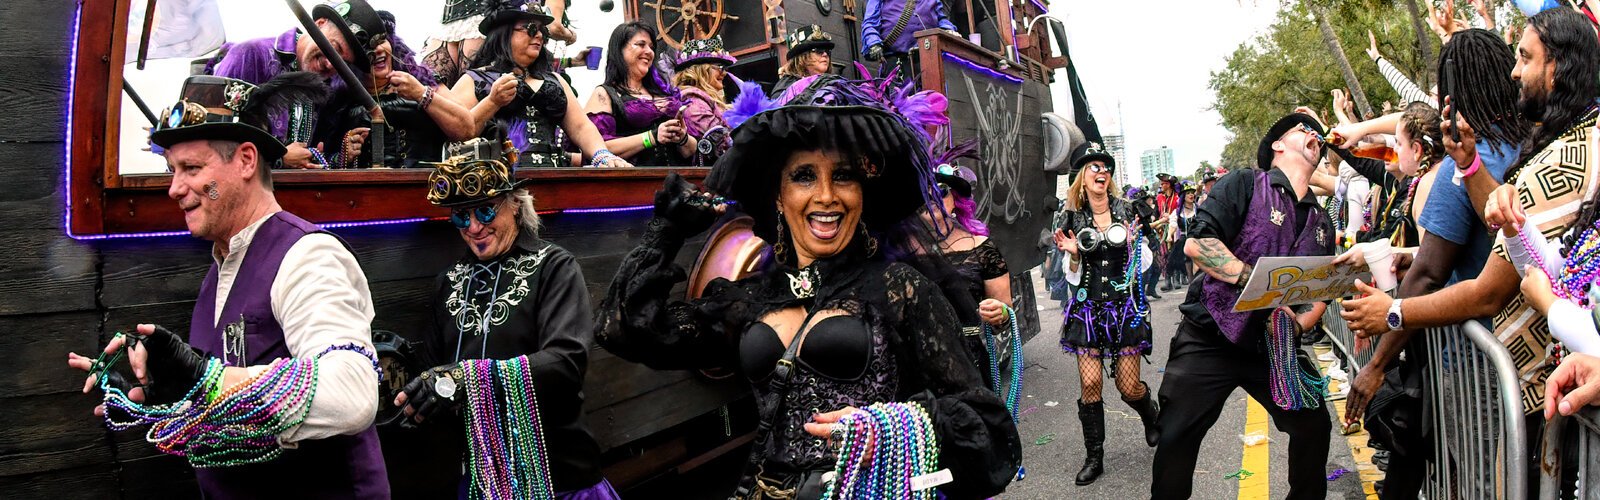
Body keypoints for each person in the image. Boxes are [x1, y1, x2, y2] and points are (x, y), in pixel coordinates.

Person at [595, 76, 1021, 499]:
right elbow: (624, 329)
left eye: (843, 176)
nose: (826, 196)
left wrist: (894, 430)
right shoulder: (753, 298)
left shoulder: (900, 290)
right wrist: (667, 233)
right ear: (778, 196)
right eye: (803, 176)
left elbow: (987, 426)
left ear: (863, 193)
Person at [67, 73, 388, 497]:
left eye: (192, 169)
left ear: (246, 160)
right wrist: (160, 396)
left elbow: (352, 395)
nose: (174, 188)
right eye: (171, 170)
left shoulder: (307, 257)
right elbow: (223, 403)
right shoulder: (219, 270)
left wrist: (207, 379)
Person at [1341, 6, 1600, 419]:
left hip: (1518, 376)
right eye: (1513, 59)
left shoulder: (1565, 159)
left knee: (1484, 484)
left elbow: (1483, 288)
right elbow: (1524, 244)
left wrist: (1390, 317)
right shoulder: (1536, 145)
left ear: (1558, 67)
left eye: (1526, 58)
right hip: (1544, 375)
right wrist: (1470, 168)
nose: (1515, 72)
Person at [391, 139, 618, 499]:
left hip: (559, 476)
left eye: (484, 211)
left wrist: (468, 377)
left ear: (515, 204)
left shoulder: (554, 267)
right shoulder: (448, 282)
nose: (473, 228)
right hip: (484, 482)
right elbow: (433, 370)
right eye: (460, 215)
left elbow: (566, 361)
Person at [1151, 112, 1334, 500]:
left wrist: (1299, 325)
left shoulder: (1322, 220)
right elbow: (1198, 245)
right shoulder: (1246, 183)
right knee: (1175, 436)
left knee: (1313, 425)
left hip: (1272, 348)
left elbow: (1319, 295)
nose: (1313, 133)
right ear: (1278, 146)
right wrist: (1260, 284)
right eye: (1303, 128)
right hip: (1209, 336)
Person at [1051, 142, 1160, 485]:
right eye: (1093, 167)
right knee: (1091, 382)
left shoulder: (1127, 212)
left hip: (1122, 309)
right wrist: (1072, 253)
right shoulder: (1070, 217)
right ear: (1082, 177)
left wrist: (1132, 243)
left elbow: (1145, 263)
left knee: (1129, 388)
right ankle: (1094, 456)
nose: (1101, 172)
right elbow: (1070, 275)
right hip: (1087, 309)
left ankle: (1149, 412)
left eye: (1105, 167)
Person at [450, 1, 630, 168]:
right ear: (504, 32)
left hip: (552, 179)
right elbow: (457, 131)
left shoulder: (555, 80)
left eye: (542, 31)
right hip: (499, 186)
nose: (538, 36)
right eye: (530, 29)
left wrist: (602, 155)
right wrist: (492, 102)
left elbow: (581, 127)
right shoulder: (473, 79)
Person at [207, 0, 385, 169]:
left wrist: (339, 157)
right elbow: (210, 136)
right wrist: (278, 158)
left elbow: (302, 156)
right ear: (319, 23)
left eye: (343, 64)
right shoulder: (250, 55)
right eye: (334, 49)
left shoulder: (327, 86)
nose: (331, 64)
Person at [322, 10, 480, 169]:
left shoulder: (423, 80)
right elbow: (319, 158)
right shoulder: (338, 98)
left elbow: (467, 130)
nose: (377, 50)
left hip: (427, 187)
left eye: (381, 40)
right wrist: (342, 155)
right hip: (366, 191)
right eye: (365, 46)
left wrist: (421, 93)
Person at [924, 140, 1017, 393]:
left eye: (941, 190)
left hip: (967, 367)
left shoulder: (981, 248)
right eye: (923, 190)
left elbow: (1005, 316)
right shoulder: (896, 251)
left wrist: (999, 314)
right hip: (913, 370)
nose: (932, 197)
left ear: (955, 199)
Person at [584, 21, 698, 166]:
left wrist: (683, 138)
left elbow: (692, 150)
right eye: (641, 44)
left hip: (680, 182)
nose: (649, 52)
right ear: (620, 50)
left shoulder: (665, 93)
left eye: (651, 47)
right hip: (635, 184)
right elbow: (595, 150)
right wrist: (651, 137)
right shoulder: (605, 94)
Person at [673, 36, 737, 166]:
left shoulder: (706, 99)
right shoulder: (692, 101)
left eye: (725, 68)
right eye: (719, 67)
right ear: (700, 70)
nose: (724, 73)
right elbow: (721, 142)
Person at [860, 0, 958, 82]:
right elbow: (869, 22)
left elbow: (941, 19)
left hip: (927, 61)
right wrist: (873, 43)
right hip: (896, 62)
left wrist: (949, 30)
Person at [771, 25, 835, 98]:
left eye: (827, 51)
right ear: (802, 57)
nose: (825, 54)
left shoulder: (834, 84)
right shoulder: (785, 90)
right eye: (819, 50)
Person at [1164, 182, 1198, 290]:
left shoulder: (1198, 209)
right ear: (1184, 196)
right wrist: (1169, 235)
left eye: (1192, 193)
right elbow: (1173, 224)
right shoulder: (1178, 212)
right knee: (1175, 259)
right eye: (1188, 193)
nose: (1191, 195)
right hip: (1184, 240)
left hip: (1197, 240)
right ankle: (1173, 280)